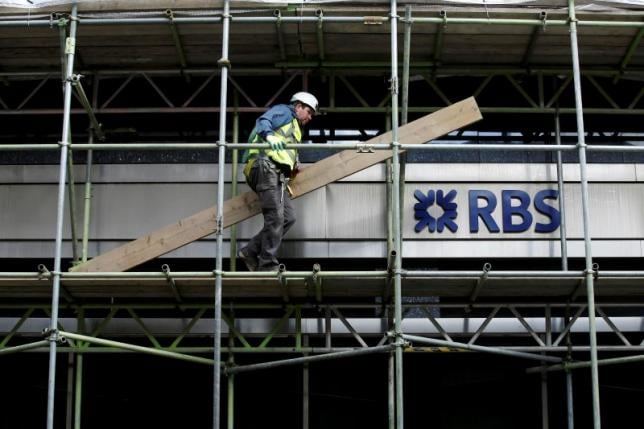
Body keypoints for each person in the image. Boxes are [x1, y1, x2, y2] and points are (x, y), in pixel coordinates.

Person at [239, 91, 319, 272]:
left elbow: (286, 152)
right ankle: (267, 265)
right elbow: (262, 121)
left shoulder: (296, 128)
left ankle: (250, 251)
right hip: (264, 167)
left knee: (288, 218)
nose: (310, 117)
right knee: (275, 217)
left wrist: (294, 166)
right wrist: (269, 136)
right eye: (309, 112)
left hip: (276, 174)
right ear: (298, 106)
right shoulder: (285, 112)